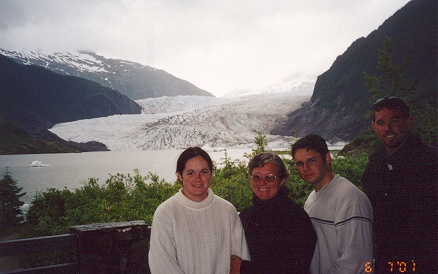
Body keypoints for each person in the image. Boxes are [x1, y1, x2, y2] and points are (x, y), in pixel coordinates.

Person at [362, 96, 438, 273]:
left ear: (408, 121)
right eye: (381, 123)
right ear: (374, 126)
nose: (387, 128)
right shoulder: (374, 165)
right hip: (384, 260)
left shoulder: (431, 162)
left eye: (394, 120)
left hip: (425, 262)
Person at [148, 147, 250, 274]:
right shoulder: (166, 213)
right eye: (190, 173)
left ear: (211, 174)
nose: (198, 178)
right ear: (180, 176)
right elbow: (162, 265)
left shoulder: (227, 211)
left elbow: (239, 261)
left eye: (204, 172)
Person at [291, 134, 373, 274]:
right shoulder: (311, 199)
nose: (305, 168)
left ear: (327, 158)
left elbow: (356, 261)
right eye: (300, 163)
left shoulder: (349, 197)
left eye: (311, 161)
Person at [230, 152, 316, 274]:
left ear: (281, 180)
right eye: (256, 177)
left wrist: (244, 268)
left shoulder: (297, 219)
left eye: (270, 177)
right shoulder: (246, 216)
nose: (262, 183)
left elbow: (295, 269)